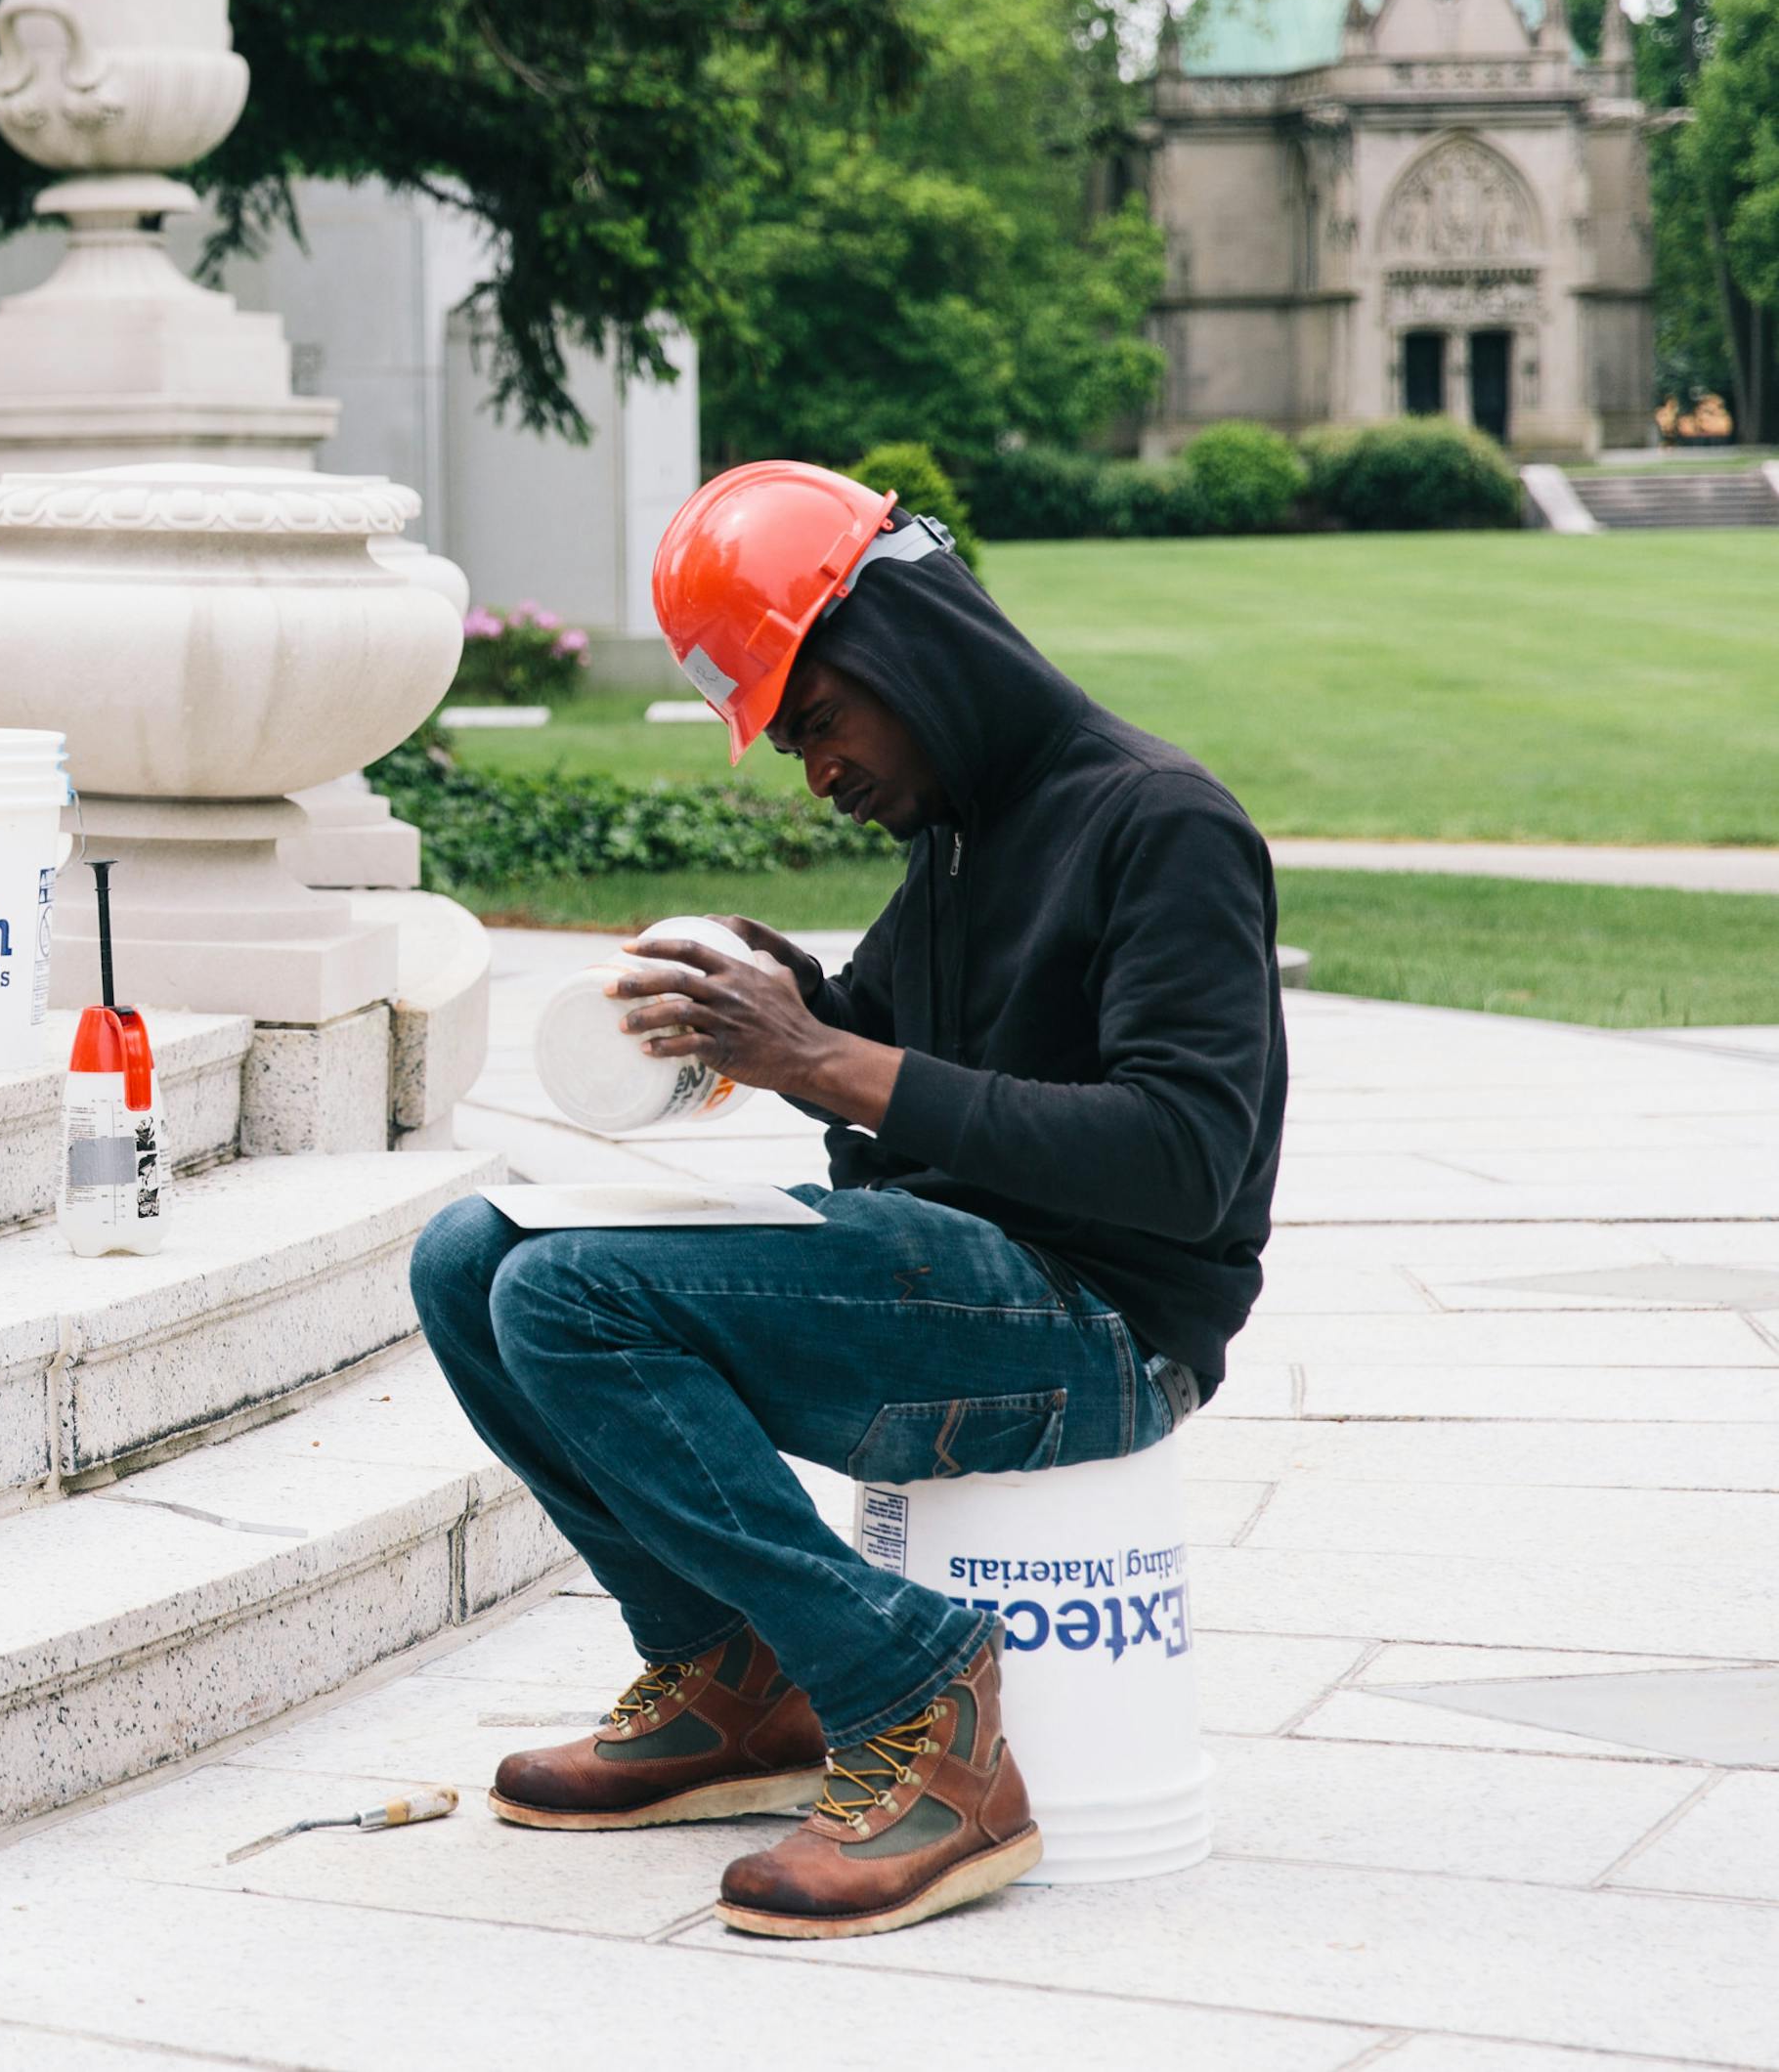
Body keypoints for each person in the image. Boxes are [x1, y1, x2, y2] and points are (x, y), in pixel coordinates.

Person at [409, 459, 1283, 1939]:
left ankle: (917, 1702)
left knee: (568, 1292)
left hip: (1103, 1322)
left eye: (818, 720)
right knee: (468, 1252)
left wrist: (834, 1057)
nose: (815, 769)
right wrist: (798, 1009)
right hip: (965, 1282)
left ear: (909, 649)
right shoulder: (951, 843)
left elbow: (1187, 1156)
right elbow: (887, 1098)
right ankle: (734, 1672)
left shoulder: (1160, 824)